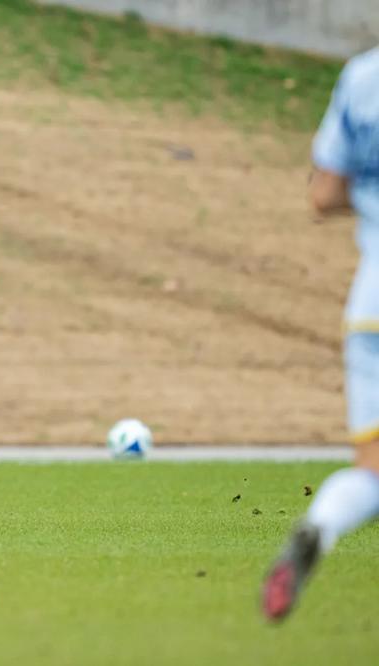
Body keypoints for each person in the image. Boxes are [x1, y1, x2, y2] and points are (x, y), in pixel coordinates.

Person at [262, 47, 379, 621]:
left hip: (372, 306)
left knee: (375, 473)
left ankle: (320, 527)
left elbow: (324, 194)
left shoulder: (363, 77)